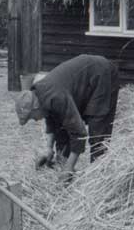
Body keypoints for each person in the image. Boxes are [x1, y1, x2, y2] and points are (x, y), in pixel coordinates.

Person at [15, 54, 119, 182]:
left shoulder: (55, 96)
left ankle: (98, 178)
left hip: (101, 74)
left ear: (35, 107)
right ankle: (64, 165)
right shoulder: (41, 94)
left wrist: (68, 168)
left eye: (32, 117)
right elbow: (53, 120)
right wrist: (48, 149)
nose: (36, 120)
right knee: (62, 130)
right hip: (85, 79)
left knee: (98, 131)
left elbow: (79, 133)